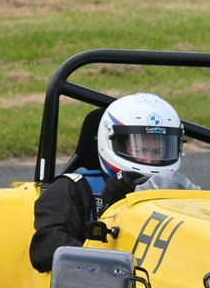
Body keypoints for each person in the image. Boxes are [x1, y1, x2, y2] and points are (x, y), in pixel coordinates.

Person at [29, 92, 195, 271]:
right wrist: (109, 208)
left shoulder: (179, 192)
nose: (148, 160)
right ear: (111, 141)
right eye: (140, 149)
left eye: (157, 152)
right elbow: (44, 249)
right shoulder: (73, 189)